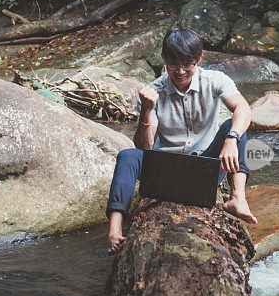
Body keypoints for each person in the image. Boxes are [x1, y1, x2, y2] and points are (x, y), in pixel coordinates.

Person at [106, 27, 258, 254]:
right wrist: (147, 112)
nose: (180, 71)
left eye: (187, 64)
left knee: (234, 128)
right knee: (129, 155)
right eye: (173, 64)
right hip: (164, 172)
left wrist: (231, 139)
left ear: (199, 60)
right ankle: (115, 228)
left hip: (204, 169)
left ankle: (238, 198)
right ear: (163, 59)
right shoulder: (153, 92)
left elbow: (243, 108)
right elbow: (145, 148)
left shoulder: (215, 80)